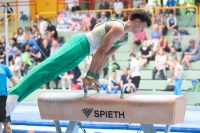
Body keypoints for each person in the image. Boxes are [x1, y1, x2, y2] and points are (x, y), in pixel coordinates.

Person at [6, 10, 151, 116]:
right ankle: (15, 91)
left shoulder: (124, 38)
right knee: (47, 67)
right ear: (137, 21)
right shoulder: (118, 28)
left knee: (49, 75)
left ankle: (19, 98)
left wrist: (96, 77)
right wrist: (89, 75)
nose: (142, 30)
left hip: (84, 52)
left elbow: (106, 57)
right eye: (143, 26)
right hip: (80, 43)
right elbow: (100, 52)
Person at [0, 64, 18, 133]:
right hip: (3, 98)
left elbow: (16, 83)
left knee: (7, 124)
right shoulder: (4, 68)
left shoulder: (4, 68)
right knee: (6, 124)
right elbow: (16, 82)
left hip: (3, 98)